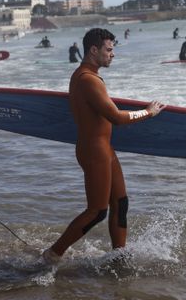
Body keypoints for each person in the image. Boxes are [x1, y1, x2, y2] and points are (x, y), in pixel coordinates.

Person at [42, 28, 165, 264]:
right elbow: (117, 118)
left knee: (121, 202)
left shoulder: (88, 76)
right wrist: (148, 113)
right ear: (94, 50)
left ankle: (119, 257)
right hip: (93, 151)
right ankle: (52, 254)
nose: (113, 54)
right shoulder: (87, 79)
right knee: (97, 211)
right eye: (109, 50)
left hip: (104, 149)